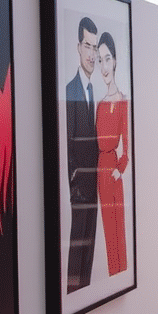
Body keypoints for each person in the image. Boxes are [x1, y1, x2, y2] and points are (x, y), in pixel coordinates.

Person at [65, 16, 99, 292]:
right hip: (79, 192)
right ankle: (73, 292)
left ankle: (83, 292)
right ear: (79, 47)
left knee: (89, 250)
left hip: (95, 189)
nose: (92, 54)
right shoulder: (69, 91)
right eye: (88, 46)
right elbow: (69, 144)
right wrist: (75, 186)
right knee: (76, 251)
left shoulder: (95, 91)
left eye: (95, 47)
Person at [95, 31, 129, 277]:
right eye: (100, 60)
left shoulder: (124, 101)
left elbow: (127, 147)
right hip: (100, 169)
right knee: (108, 226)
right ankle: (113, 273)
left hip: (114, 170)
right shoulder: (99, 104)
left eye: (107, 59)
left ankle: (122, 271)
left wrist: (120, 170)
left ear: (115, 61)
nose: (104, 66)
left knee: (119, 224)